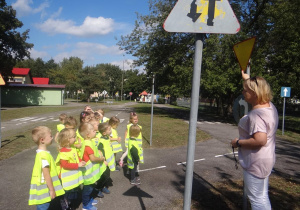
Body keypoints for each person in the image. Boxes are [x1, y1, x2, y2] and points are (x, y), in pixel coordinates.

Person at [231, 70, 278, 210]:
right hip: (266, 158)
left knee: (256, 200)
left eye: (246, 90)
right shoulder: (270, 107)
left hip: (255, 161)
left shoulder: (256, 115)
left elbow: (260, 140)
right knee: (262, 196)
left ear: (255, 93)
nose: (243, 92)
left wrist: (237, 142)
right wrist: (247, 78)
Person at [28, 126, 65, 209]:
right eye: (50, 136)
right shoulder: (44, 156)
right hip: (44, 189)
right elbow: (46, 174)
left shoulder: (41, 153)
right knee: (44, 206)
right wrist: (51, 190)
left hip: (45, 188)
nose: (52, 138)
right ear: (42, 140)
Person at [55, 128, 86, 210]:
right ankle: (65, 204)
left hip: (73, 178)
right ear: (67, 139)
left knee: (73, 193)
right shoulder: (63, 152)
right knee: (68, 194)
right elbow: (65, 165)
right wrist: (77, 164)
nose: (75, 138)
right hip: (67, 179)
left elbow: (76, 157)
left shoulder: (72, 147)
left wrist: (80, 161)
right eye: (73, 137)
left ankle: (70, 204)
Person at [79, 123, 104, 210]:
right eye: (93, 131)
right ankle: (85, 205)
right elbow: (92, 158)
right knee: (87, 190)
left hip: (91, 173)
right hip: (88, 174)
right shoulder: (88, 145)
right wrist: (101, 159)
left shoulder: (89, 142)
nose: (95, 131)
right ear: (88, 134)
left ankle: (89, 201)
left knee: (90, 188)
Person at [97, 123, 115, 194]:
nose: (111, 131)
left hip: (109, 161)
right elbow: (100, 151)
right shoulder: (101, 141)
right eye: (109, 130)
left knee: (107, 175)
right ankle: (98, 188)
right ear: (104, 132)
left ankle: (103, 187)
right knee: (104, 176)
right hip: (105, 162)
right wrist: (103, 160)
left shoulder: (107, 137)